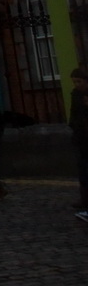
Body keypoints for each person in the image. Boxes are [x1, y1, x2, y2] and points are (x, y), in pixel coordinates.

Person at [70, 67, 88, 223]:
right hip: (81, 138)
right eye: (74, 82)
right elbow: (73, 116)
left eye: (79, 81)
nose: (76, 84)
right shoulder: (75, 95)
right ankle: (84, 200)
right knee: (83, 171)